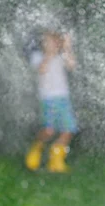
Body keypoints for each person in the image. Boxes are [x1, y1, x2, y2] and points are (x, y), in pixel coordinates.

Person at [25, 30, 77, 173]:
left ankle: (56, 160)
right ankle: (36, 149)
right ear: (43, 44)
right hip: (48, 99)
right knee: (48, 131)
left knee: (68, 130)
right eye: (49, 42)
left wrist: (67, 48)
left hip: (63, 99)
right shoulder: (38, 57)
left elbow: (72, 65)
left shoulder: (61, 57)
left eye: (55, 42)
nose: (53, 45)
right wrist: (49, 54)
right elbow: (41, 70)